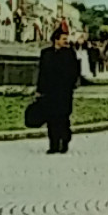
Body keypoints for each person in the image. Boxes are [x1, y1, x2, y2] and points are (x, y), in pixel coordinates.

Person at [36, 26, 80, 154]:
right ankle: (53, 145)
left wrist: (71, 84)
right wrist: (39, 90)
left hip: (64, 92)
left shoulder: (69, 53)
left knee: (63, 117)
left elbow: (75, 71)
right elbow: (42, 73)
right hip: (49, 92)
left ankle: (64, 140)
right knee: (51, 119)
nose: (66, 41)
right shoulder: (46, 53)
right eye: (63, 39)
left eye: (67, 38)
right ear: (56, 40)